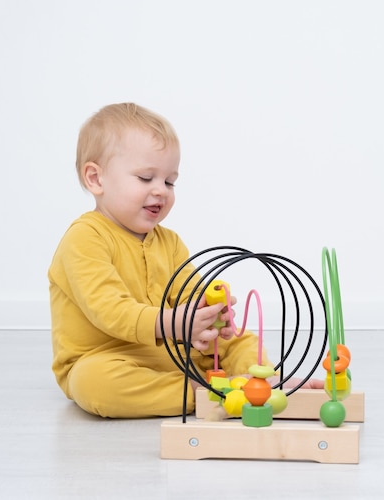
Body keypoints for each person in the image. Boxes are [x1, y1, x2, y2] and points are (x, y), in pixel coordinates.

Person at [48, 102, 274, 418]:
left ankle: (262, 382)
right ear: (96, 179)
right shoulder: (85, 238)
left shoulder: (169, 242)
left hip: (176, 351)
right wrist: (176, 323)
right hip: (110, 357)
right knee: (94, 384)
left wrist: (211, 315)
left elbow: (190, 297)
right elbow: (110, 310)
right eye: (145, 178)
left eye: (169, 181)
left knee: (238, 339)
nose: (161, 191)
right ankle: (204, 392)